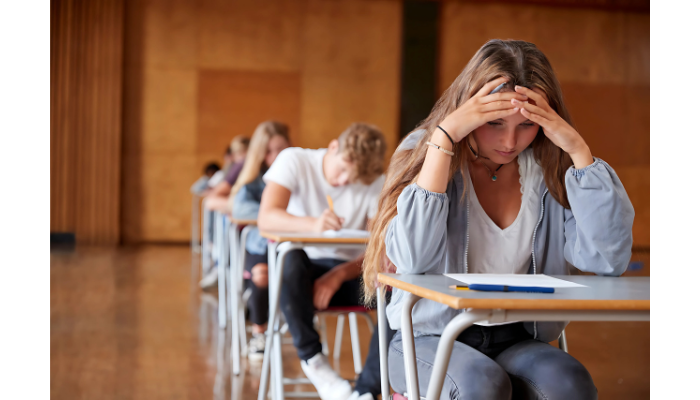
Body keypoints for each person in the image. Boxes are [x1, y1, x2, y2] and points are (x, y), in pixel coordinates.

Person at [362, 39, 635, 400]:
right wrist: (444, 137)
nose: (510, 141)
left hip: (518, 337)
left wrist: (578, 151)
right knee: (482, 385)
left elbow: (607, 260)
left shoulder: (549, 167)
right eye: (494, 122)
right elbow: (413, 260)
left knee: (571, 384)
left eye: (526, 125)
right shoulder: (424, 152)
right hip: (428, 338)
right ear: (466, 110)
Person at [258, 123, 390, 400]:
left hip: (347, 272)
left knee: (395, 290)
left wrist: (339, 275)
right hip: (298, 278)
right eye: (342, 170)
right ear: (332, 147)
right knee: (290, 258)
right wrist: (313, 224)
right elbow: (266, 217)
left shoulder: (373, 180)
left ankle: (367, 389)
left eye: (353, 178)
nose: (343, 182)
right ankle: (314, 361)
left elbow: (379, 248)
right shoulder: (294, 160)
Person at [229, 121, 291, 360]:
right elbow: (240, 209)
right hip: (260, 245)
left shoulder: (295, 173)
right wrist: (278, 214)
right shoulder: (254, 181)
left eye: (281, 149)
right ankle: (259, 332)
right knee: (262, 273)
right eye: (269, 150)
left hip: (290, 243)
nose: (275, 156)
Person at [200, 136, 250, 289]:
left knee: (219, 211)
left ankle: (220, 265)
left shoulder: (241, 164)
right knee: (219, 212)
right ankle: (219, 264)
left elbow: (220, 191)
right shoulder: (239, 165)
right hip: (245, 210)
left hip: (246, 213)